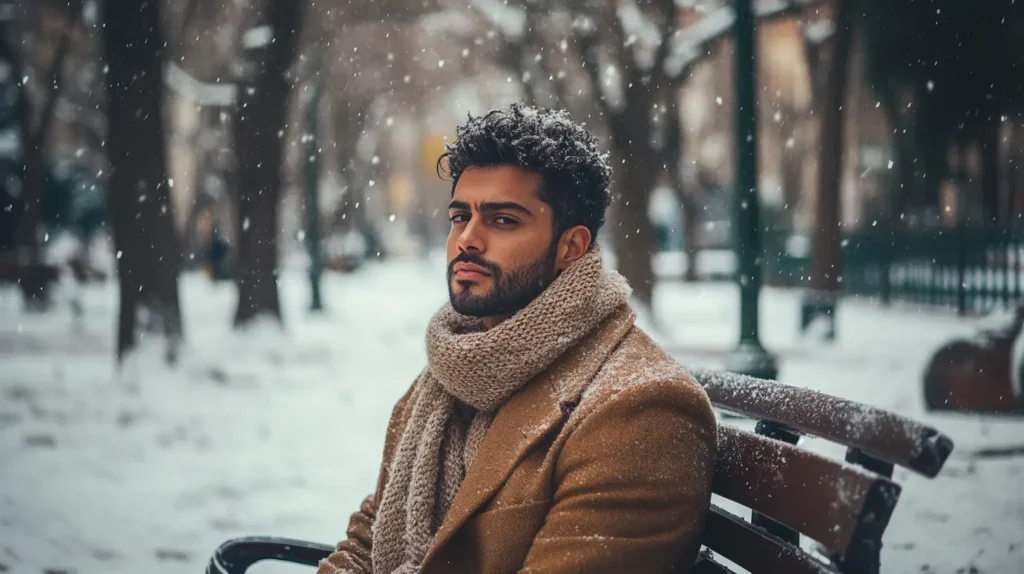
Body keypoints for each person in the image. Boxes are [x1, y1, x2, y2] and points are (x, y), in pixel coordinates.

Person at [316, 103, 717, 574]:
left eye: (503, 220)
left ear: (571, 247)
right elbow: (367, 540)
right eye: (459, 216)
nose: (468, 238)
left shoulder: (642, 411)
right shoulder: (451, 373)